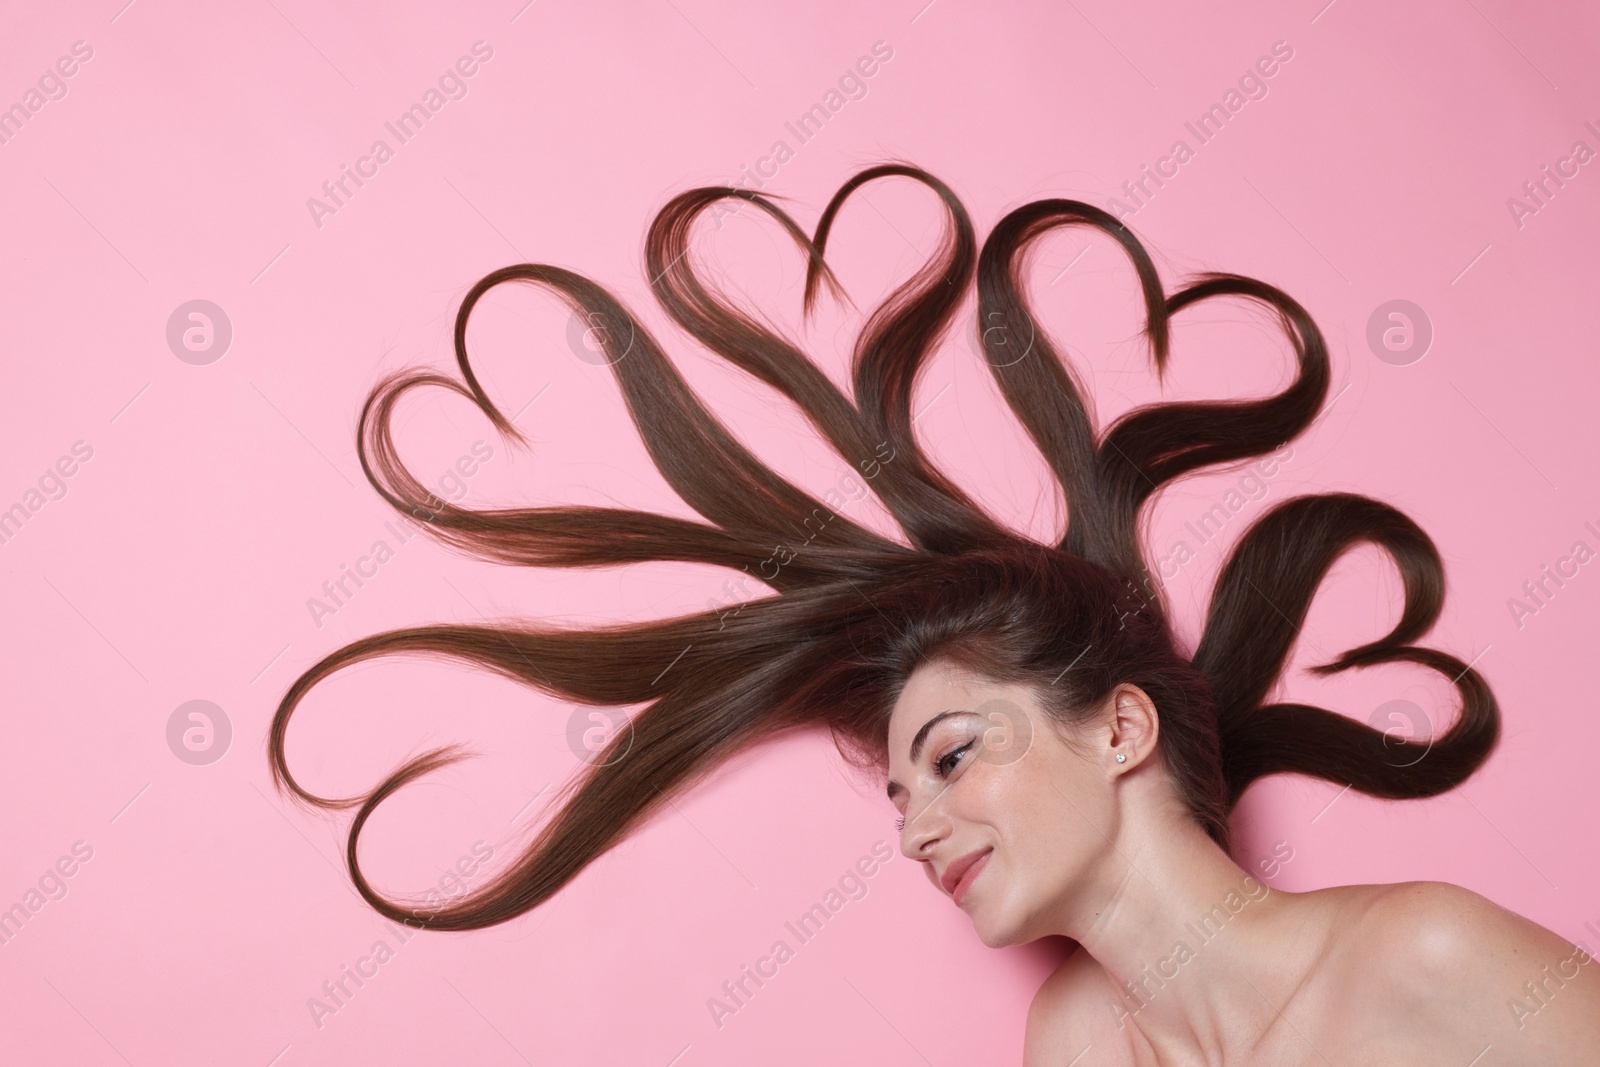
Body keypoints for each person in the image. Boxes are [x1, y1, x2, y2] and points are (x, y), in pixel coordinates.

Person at [267, 163, 1600, 1060]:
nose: (912, 832)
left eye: (952, 757)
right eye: (901, 795)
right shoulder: (1078, 1041)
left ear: (1121, 727)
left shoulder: (1421, 954)